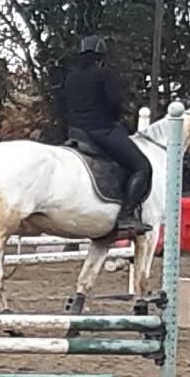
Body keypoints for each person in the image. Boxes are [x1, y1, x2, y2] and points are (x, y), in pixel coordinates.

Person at [61, 34, 148, 234]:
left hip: (75, 132)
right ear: (100, 55)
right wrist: (115, 120)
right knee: (141, 167)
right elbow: (114, 103)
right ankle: (126, 216)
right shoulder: (105, 75)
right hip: (100, 130)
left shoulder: (71, 77)